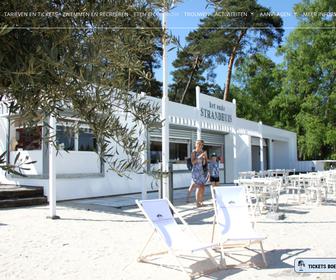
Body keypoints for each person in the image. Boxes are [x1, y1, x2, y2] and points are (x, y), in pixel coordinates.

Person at [188, 139, 208, 207]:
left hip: (201, 171)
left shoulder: (202, 152)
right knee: (199, 187)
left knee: (203, 187)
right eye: (198, 144)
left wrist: (205, 158)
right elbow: (193, 162)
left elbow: (204, 163)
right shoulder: (194, 152)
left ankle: (201, 201)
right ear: (195, 144)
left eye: (201, 144)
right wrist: (200, 156)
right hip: (195, 172)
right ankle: (197, 203)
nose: (200, 145)